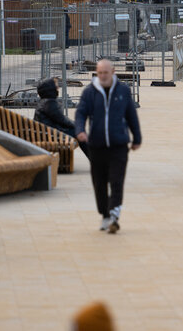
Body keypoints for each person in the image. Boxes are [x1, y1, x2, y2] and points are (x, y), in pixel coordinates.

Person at [75, 59, 142, 234]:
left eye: (106, 72)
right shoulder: (90, 92)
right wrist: (80, 130)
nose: (103, 76)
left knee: (117, 180)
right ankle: (105, 214)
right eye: (100, 73)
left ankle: (114, 214)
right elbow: (81, 113)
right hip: (96, 146)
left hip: (119, 144)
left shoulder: (123, 91)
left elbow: (131, 116)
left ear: (112, 71)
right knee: (99, 182)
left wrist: (137, 138)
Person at [33, 78, 87, 159]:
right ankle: (95, 158)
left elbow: (60, 119)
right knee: (79, 133)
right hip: (51, 136)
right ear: (50, 89)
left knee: (77, 131)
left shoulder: (44, 102)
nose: (58, 88)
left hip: (46, 133)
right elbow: (62, 120)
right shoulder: (49, 103)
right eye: (56, 86)